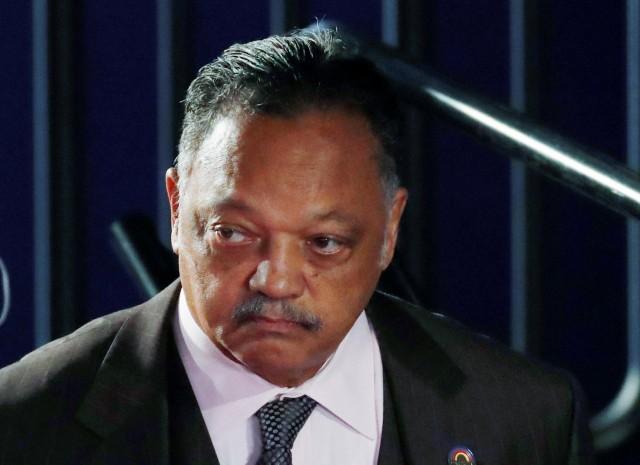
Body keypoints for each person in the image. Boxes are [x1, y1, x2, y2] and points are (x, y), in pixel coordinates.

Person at [0, 28, 593, 465]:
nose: (277, 280)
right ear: (178, 208)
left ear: (389, 231)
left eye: (325, 243)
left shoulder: (526, 420)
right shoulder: (24, 422)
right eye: (233, 233)